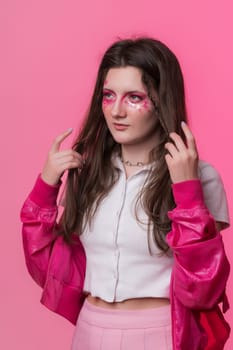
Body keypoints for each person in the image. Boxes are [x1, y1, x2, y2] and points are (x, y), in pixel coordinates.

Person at [20, 38, 230, 350]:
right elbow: (47, 271)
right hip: (90, 330)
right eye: (108, 96)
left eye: (134, 97)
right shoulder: (88, 173)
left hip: (158, 334)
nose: (117, 111)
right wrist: (45, 188)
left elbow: (203, 287)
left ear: (161, 100)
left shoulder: (199, 176)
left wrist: (187, 193)